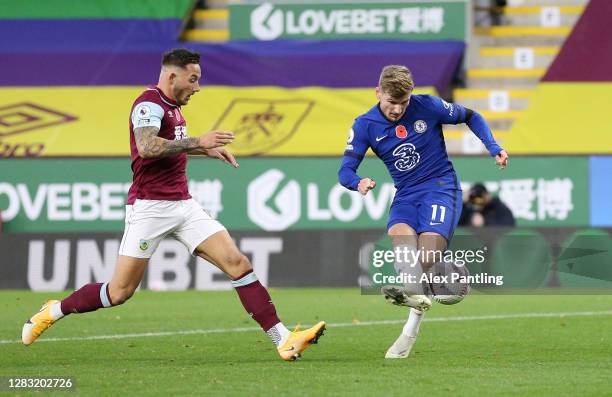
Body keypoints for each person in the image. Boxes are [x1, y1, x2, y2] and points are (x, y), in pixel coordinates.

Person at [22, 48, 325, 361]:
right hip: (149, 208)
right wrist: (198, 142)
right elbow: (147, 146)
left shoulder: (173, 108)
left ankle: (283, 339)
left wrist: (200, 151)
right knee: (119, 292)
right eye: (193, 79)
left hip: (183, 205)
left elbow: (166, 145)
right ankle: (54, 310)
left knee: (238, 264)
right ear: (172, 76)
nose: (197, 87)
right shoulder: (148, 103)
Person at [338, 65, 507, 358]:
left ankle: (410, 328)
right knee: (405, 255)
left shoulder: (427, 105)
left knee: (425, 260)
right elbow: (345, 171)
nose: (397, 110)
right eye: (392, 102)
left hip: (441, 188)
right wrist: (358, 182)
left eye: (403, 103)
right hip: (406, 195)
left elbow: (471, 116)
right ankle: (421, 294)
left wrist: (494, 147)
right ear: (378, 93)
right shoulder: (365, 125)